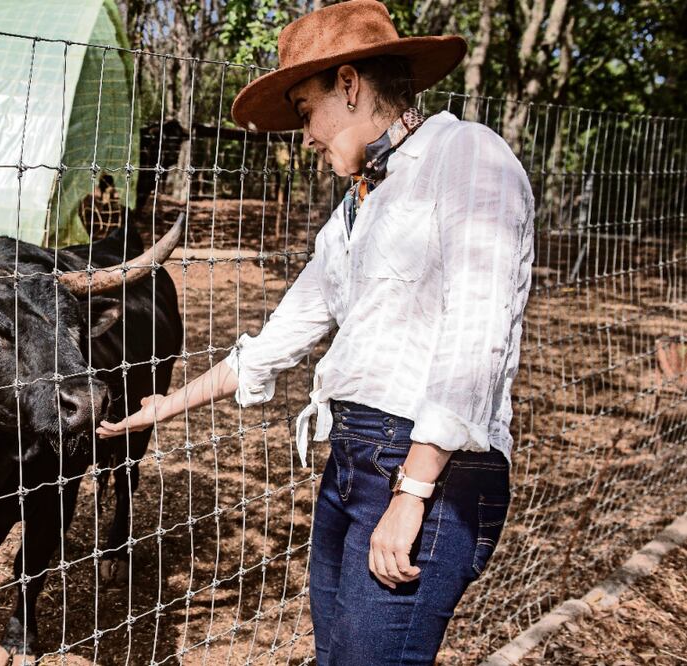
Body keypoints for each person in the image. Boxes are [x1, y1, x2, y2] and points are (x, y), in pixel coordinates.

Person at [96, 0, 535, 663]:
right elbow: (284, 334)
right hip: (353, 459)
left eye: (304, 111)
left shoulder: (468, 155)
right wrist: (166, 405)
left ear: (349, 85)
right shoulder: (359, 204)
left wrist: (412, 493)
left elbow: (479, 336)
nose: (303, 136)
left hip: (429, 471)